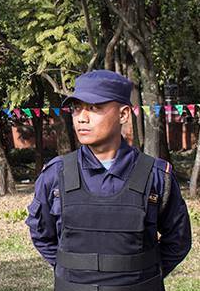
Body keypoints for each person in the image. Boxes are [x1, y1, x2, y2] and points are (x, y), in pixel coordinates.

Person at [26, 70, 192, 291]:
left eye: (94, 108)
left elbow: (178, 240)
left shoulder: (156, 176)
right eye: (77, 108)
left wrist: (143, 275)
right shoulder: (56, 175)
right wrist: (72, 272)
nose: (82, 118)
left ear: (123, 114)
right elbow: (41, 233)